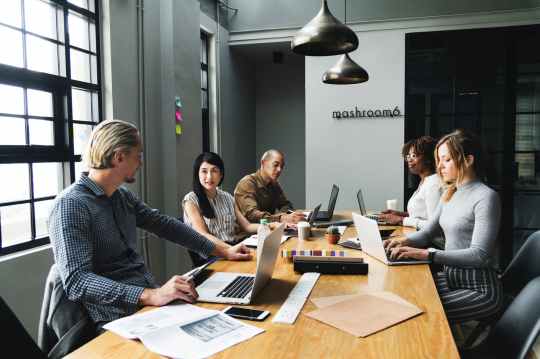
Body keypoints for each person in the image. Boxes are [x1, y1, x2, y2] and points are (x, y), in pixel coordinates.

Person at [48, 120, 252, 329]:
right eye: (138, 156)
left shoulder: (122, 197)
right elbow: (77, 281)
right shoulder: (70, 205)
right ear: (119, 157)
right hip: (111, 319)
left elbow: (165, 225)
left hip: (146, 306)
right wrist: (150, 295)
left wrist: (224, 251)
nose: (141, 163)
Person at [384, 129, 503, 323]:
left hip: (479, 288)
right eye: (439, 160)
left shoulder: (486, 197)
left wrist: (428, 254)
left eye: (446, 160)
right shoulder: (450, 192)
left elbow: (480, 255)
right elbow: (428, 232)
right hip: (451, 279)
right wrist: (400, 241)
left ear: (468, 160)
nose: (439, 166)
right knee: (402, 296)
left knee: (417, 314)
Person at [183, 152, 277, 244]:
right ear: (197, 174)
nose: (209, 176)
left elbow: (247, 226)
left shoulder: (227, 197)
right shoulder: (191, 200)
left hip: (233, 248)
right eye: (204, 171)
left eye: (214, 171)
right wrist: (230, 250)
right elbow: (204, 235)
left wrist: (273, 225)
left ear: (221, 175)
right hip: (213, 255)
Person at [379, 136, 443, 235]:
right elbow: (423, 214)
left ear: (428, 158)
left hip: (430, 243)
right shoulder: (425, 181)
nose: (409, 160)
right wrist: (400, 214)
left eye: (414, 156)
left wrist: (401, 220)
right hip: (418, 235)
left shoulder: (433, 184)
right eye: (408, 156)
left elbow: (435, 226)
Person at [234, 149, 304, 224]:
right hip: (248, 233)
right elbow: (252, 216)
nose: (279, 170)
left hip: (269, 229)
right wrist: (280, 218)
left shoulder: (274, 184)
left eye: (282, 166)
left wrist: (283, 216)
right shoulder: (247, 183)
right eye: (275, 165)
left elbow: (286, 205)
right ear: (263, 163)